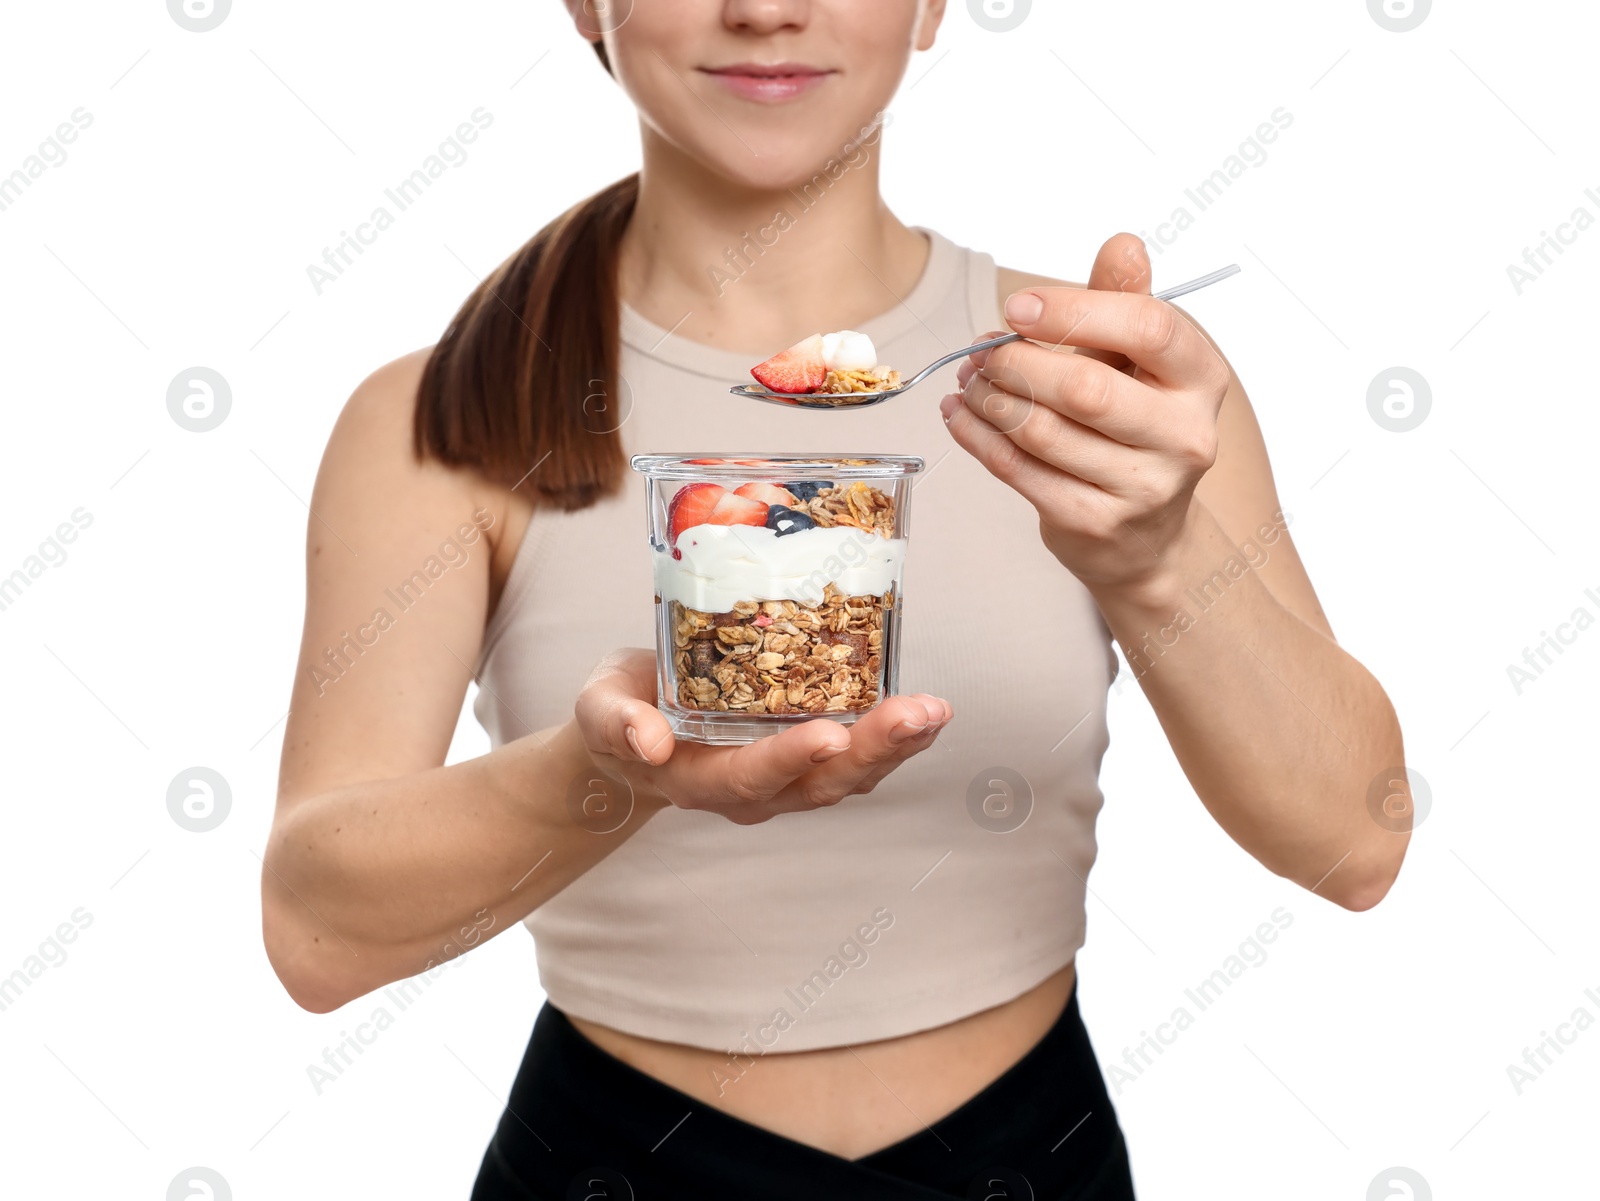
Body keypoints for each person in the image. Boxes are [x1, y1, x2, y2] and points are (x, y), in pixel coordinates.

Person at [261, 2, 1412, 1196]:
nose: (767, 8)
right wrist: (607, 774)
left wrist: (1156, 562)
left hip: (1024, 1155)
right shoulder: (442, 412)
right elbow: (314, 932)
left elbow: (1355, 843)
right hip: (611, 1159)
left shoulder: (1107, 392)